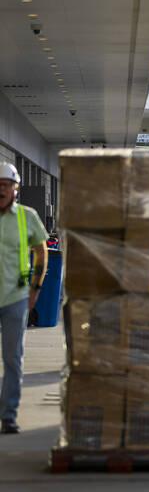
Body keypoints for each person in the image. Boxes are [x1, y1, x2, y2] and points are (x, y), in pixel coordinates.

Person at [0, 162, 48, 434]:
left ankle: (8, 416)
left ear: (15, 189)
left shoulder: (26, 217)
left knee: (12, 358)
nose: (2, 190)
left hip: (15, 297)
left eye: (6, 185)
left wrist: (36, 287)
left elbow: (42, 250)